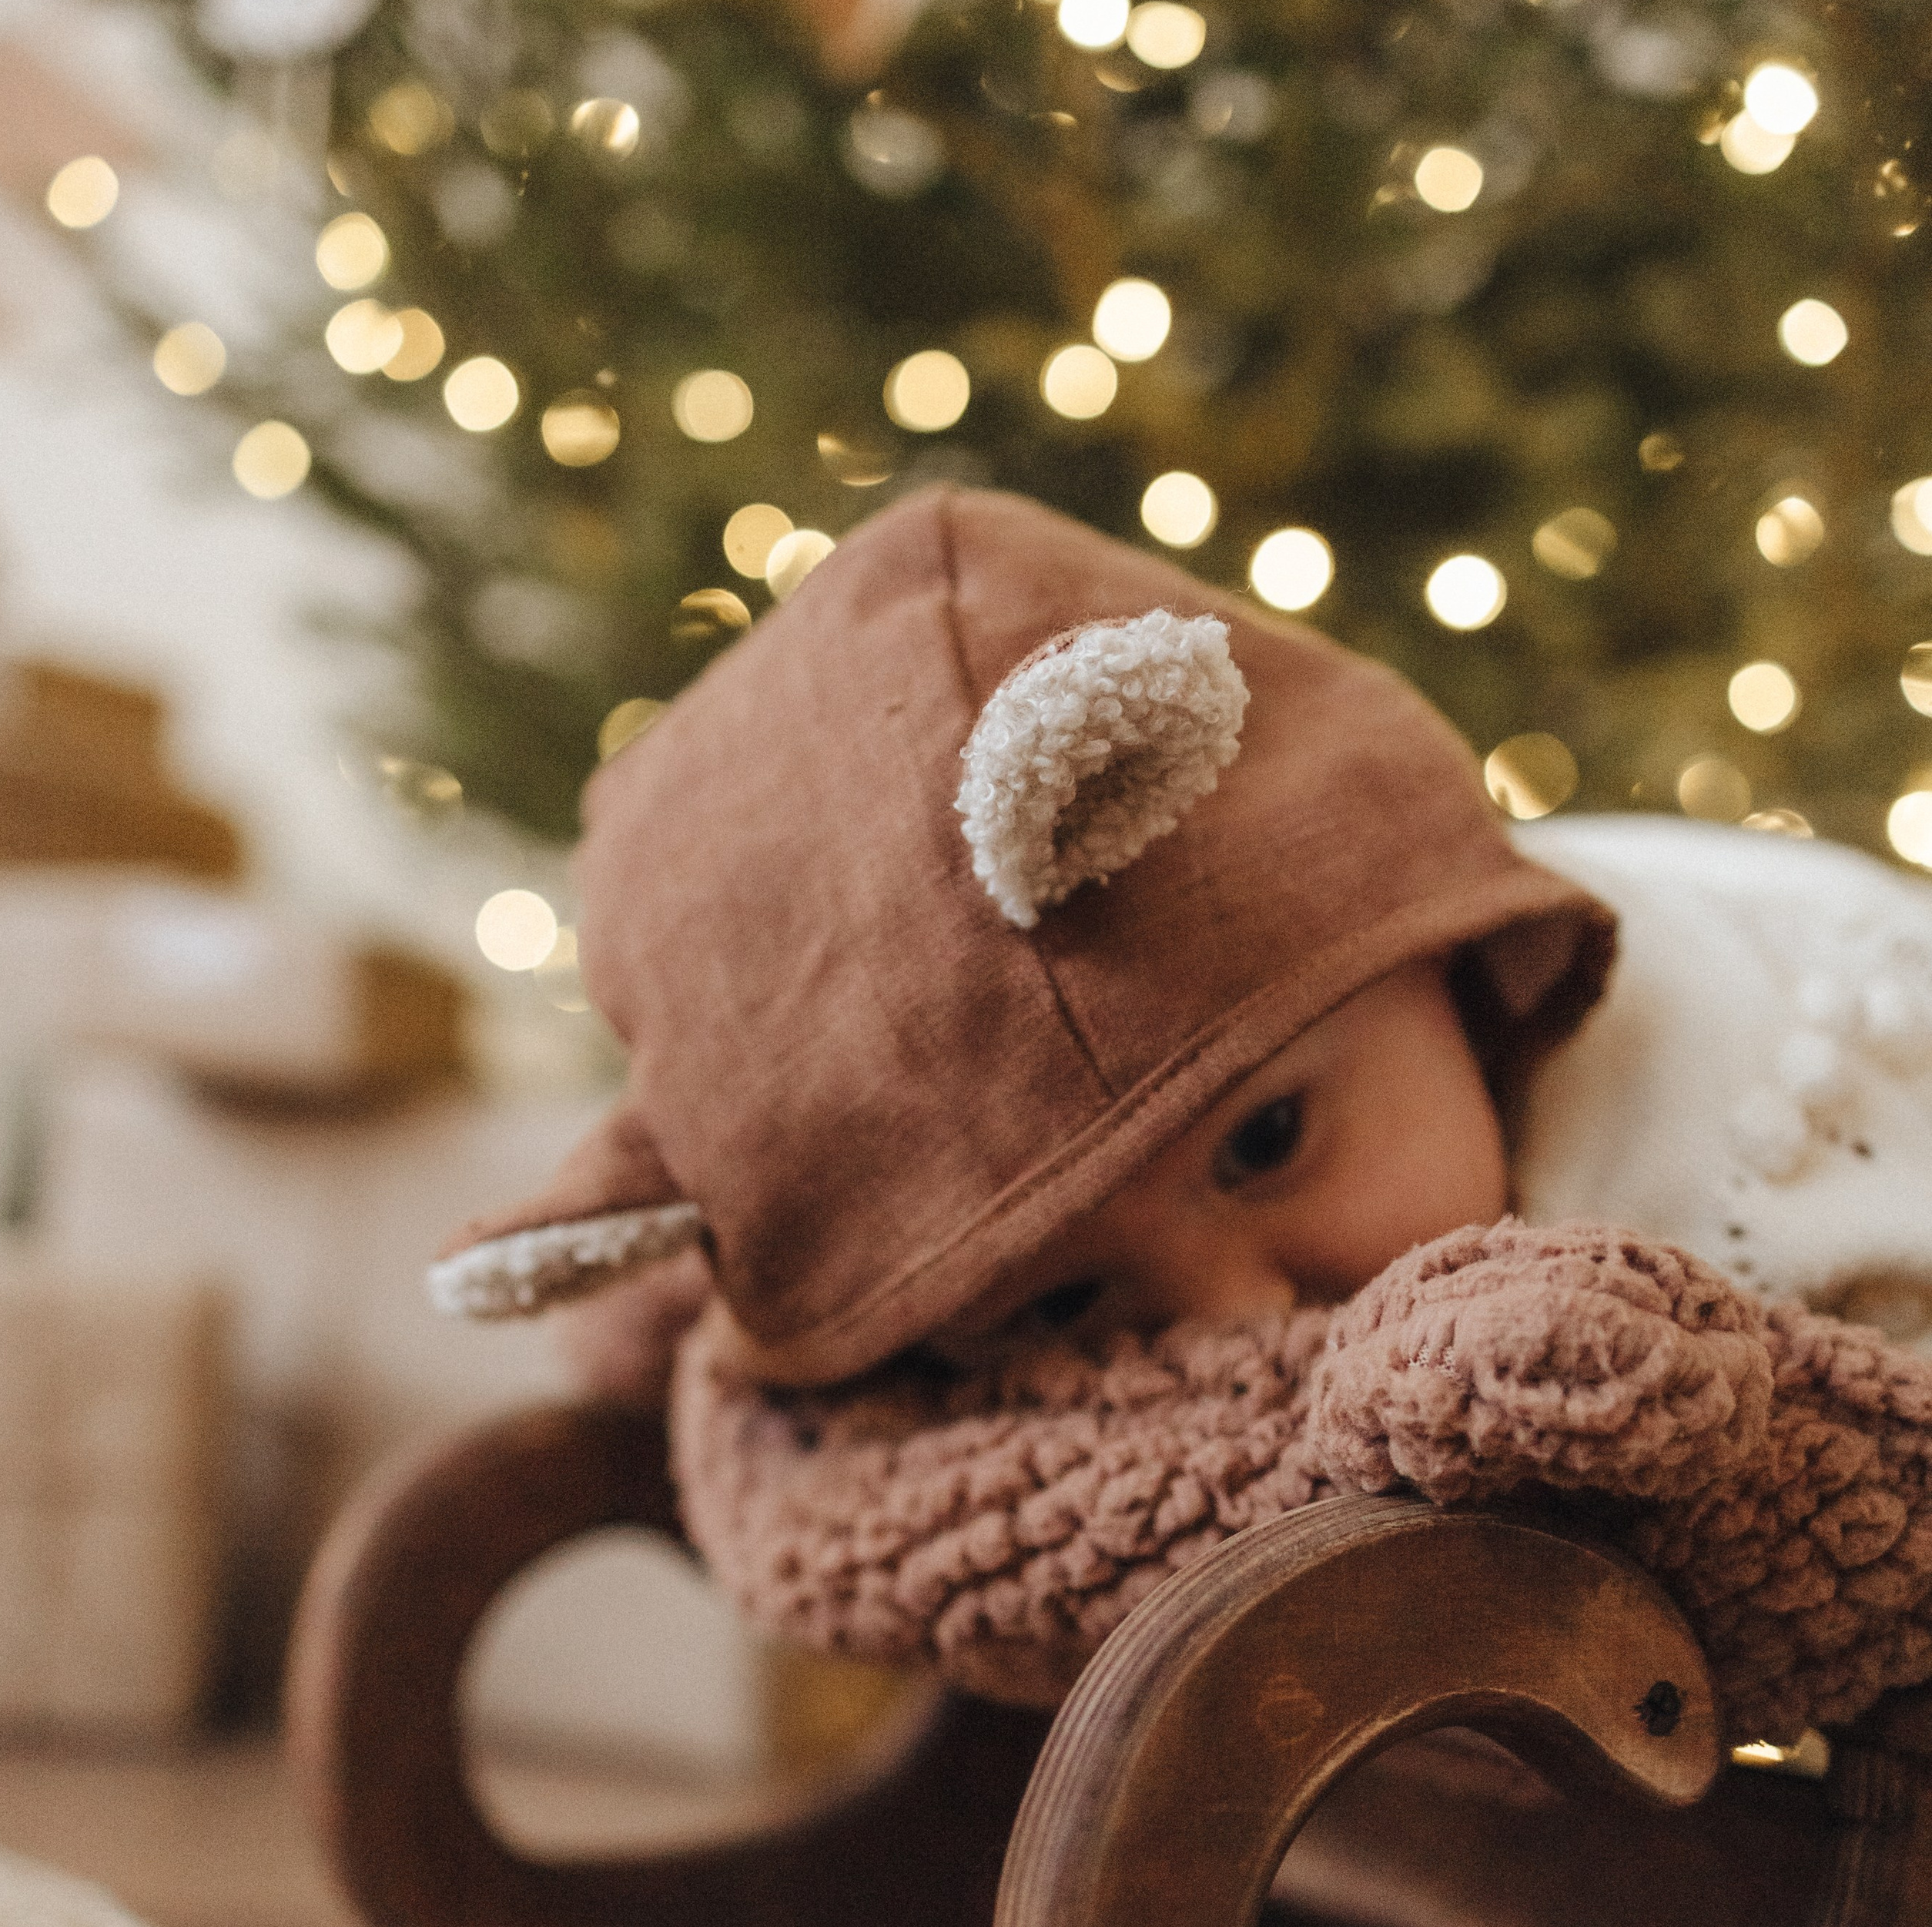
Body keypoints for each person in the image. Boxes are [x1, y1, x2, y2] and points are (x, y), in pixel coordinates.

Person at [434, 488, 1932, 1745]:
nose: (1236, 1320)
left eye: (1265, 1141)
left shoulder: (1796, 1113)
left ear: (1438, 955)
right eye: (1074, 1297)